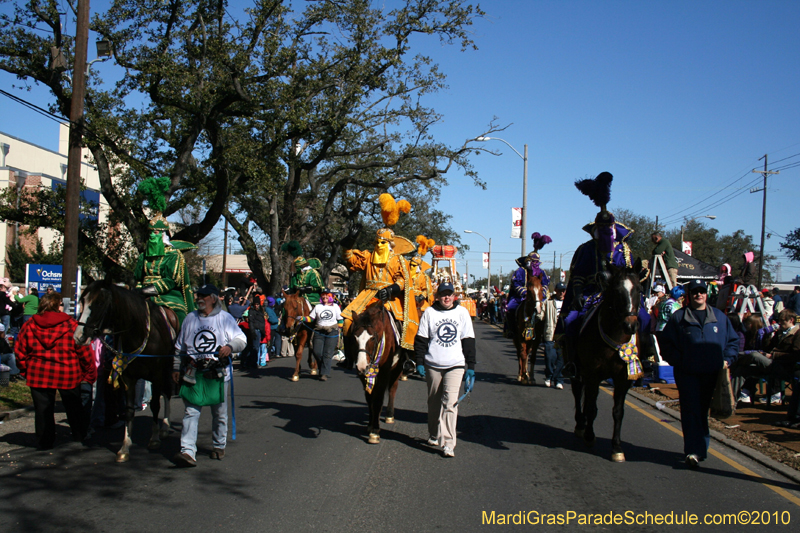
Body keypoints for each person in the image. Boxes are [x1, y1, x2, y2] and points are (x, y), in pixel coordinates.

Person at [659, 279, 739, 468]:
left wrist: (727, 359)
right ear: (689, 294)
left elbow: (733, 342)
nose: (699, 294)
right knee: (690, 410)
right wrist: (680, 361)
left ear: (706, 294)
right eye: (695, 291)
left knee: (703, 411)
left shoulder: (719, 317)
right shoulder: (679, 317)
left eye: (702, 291)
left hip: (712, 374)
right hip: (687, 374)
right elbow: (666, 344)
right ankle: (693, 450)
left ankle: (700, 448)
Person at [172, 284, 247, 467]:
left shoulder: (225, 318)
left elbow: (241, 339)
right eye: (198, 295)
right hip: (194, 373)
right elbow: (179, 347)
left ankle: (219, 445)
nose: (199, 299)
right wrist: (175, 367)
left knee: (219, 413)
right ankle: (187, 451)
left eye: (203, 296)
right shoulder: (190, 318)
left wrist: (230, 347)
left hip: (217, 374)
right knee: (191, 412)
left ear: (213, 298)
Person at [15, 292, 97, 449]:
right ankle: (79, 434)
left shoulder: (30, 324)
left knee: (42, 410)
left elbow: (20, 350)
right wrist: (89, 372)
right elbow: (84, 351)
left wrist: (24, 369)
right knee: (73, 407)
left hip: (38, 372)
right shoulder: (71, 325)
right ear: (58, 306)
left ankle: (45, 440)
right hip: (67, 372)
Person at [414, 282, 476, 458]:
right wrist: (419, 362)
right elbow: (421, 340)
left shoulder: (462, 313)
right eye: (443, 294)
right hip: (433, 365)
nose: (446, 297)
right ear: (437, 296)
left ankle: (449, 443)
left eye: (449, 294)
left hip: (455, 365)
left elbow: (468, 340)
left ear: (454, 296)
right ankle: (434, 433)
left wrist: (470, 366)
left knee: (450, 403)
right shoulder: (429, 313)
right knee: (434, 402)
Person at [301, 288, 343, 381]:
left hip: (331, 331)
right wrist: (302, 318)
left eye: (327, 295)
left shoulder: (335, 307)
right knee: (317, 352)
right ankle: (323, 367)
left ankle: (324, 373)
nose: (324, 296)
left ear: (331, 296)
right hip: (319, 331)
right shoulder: (318, 307)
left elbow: (340, 320)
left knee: (327, 353)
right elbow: (311, 318)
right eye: (323, 295)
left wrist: (339, 330)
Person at [281, 240, 324, 306]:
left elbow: (319, 287)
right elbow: (292, 288)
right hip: (298, 297)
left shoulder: (313, 273)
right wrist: (287, 291)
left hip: (311, 298)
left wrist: (305, 288)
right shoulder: (295, 275)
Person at [542, 282, 566, 389]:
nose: (561, 293)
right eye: (560, 290)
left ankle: (559, 380)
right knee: (550, 357)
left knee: (561, 360)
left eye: (563, 291)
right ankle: (549, 376)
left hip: (562, 335)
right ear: (555, 290)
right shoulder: (548, 302)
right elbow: (541, 316)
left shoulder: (568, 303)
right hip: (550, 334)